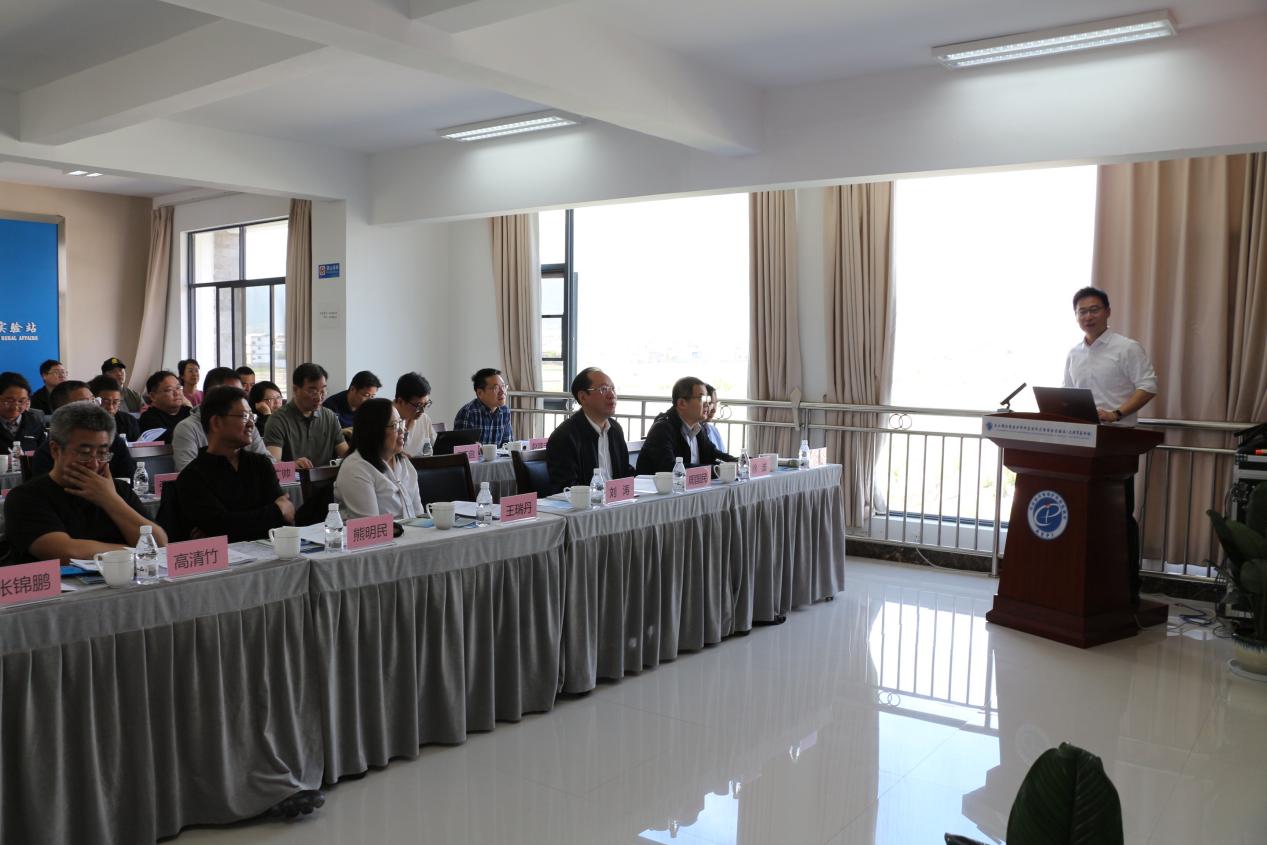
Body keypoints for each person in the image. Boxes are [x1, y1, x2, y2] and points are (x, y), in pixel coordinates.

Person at [1062, 286, 1158, 604]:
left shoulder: (1126, 348)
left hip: (1116, 442)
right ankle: (1085, 582)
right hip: (1081, 444)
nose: (1088, 316)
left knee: (1117, 515)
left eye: (1094, 310)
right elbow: (1067, 394)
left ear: (1107, 312)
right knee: (1083, 513)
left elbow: (1148, 386)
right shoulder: (1074, 353)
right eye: (1082, 311)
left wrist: (1117, 413)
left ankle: (1126, 587)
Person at [2, 402, 166, 564]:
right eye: (84, 453)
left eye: (102, 453)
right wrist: (137, 551)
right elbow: (65, 552)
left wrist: (110, 500)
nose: (94, 463)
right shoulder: (26, 497)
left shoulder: (118, 490)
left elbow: (159, 543)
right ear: (55, 450)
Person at [172, 386, 294, 542]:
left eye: (252, 416)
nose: (251, 424)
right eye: (244, 416)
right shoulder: (192, 476)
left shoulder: (260, 463)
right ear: (216, 422)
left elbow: (286, 518)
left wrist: (233, 524)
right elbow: (221, 526)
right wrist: (275, 511)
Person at [545, 367, 634, 494]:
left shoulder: (615, 429)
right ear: (583, 397)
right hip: (587, 504)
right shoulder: (565, 436)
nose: (612, 395)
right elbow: (566, 487)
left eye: (613, 389)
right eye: (603, 389)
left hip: (617, 501)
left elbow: (625, 472)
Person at [334, 397, 424, 520]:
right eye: (395, 425)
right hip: (383, 532)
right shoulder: (355, 468)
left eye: (401, 422)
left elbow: (419, 515)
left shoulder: (403, 462)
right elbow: (371, 525)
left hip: (410, 531)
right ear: (374, 431)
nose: (402, 430)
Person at [30, 380, 137, 481]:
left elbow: (130, 480)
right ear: (62, 410)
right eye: (86, 403)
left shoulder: (113, 441)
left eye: (94, 400)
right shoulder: (47, 453)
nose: (94, 407)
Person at [171, 367, 272, 471]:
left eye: (241, 394)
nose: (241, 399)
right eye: (233, 395)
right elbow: (188, 473)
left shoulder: (246, 422)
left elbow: (270, 464)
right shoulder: (187, 428)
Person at [636, 376, 737, 474]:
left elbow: (715, 454)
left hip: (689, 485)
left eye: (707, 398)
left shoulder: (698, 428)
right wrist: (715, 470)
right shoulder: (662, 429)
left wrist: (739, 462)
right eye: (702, 398)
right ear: (681, 403)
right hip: (655, 485)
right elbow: (670, 469)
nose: (707, 404)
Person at [264, 362, 348, 469]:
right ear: (295, 390)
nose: (319, 397)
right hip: (296, 479)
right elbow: (273, 465)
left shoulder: (329, 417)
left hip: (327, 479)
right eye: (313, 391)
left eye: (323, 391)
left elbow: (346, 454)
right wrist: (293, 465)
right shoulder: (278, 420)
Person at [453, 367, 513, 445]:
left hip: (499, 454)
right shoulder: (468, 413)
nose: (502, 391)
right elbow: (462, 449)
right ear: (480, 393)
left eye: (503, 386)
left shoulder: (505, 411)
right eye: (496, 388)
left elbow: (508, 444)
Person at [137, 371, 192, 443]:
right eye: (169, 390)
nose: (177, 393)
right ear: (153, 396)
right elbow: (174, 439)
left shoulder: (189, 412)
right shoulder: (148, 418)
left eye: (178, 388)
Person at [0, 371, 48, 452]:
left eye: (21, 401)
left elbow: (44, 453)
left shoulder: (34, 423)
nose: (15, 407)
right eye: (9, 401)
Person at [394, 372, 437, 457]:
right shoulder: (385, 420)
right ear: (401, 401)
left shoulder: (424, 419)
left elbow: (436, 448)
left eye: (426, 404)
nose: (422, 411)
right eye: (418, 405)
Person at [89, 374, 141, 442]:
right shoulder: (85, 423)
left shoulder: (129, 421)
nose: (110, 407)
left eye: (115, 402)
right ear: (94, 400)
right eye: (105, 402)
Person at [702, 384, 727, 453]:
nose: (714, 410)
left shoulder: (714, 430)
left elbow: (722, 455)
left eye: (715, 403)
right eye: (710, 403)